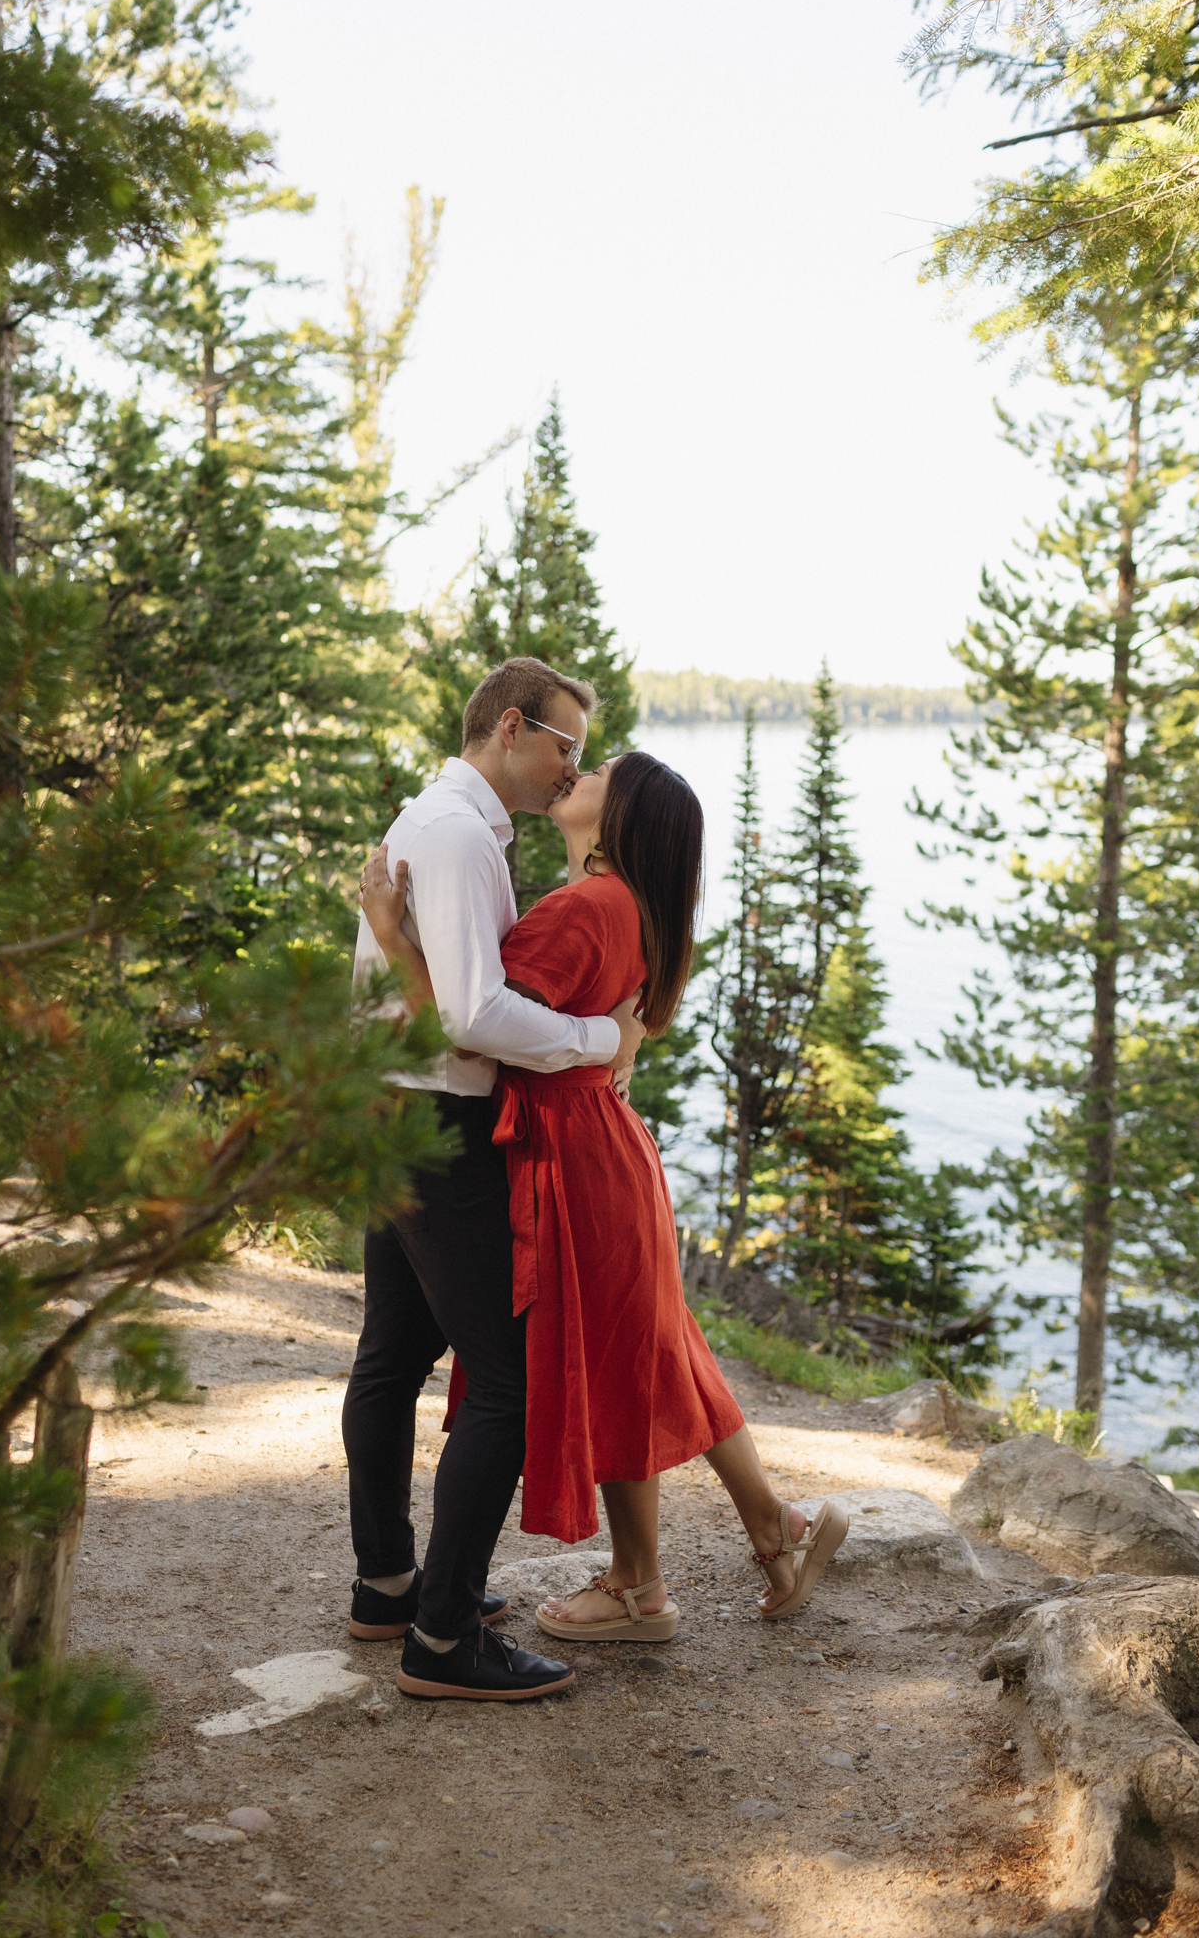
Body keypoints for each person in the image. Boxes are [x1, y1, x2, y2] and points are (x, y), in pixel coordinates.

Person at [360, 747, 848, 1643]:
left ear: (618, 820)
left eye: (597, 775)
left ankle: (659, 1574)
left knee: (629, 1354)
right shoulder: (638, 910)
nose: (574, 777)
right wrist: (608, 1047)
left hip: (573, 1155)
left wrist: (392, 940)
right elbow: (610, 1028)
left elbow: (478, 1031)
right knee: (645, 1349)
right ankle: (724, 1546)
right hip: (603, 1146)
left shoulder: (585, 906)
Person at [342, 656, 647, 1702]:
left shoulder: (432, 821)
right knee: (510, 1383)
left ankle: (388, 1583)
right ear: (511, 727)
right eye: (566, 742)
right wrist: (601, 1035)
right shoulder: (462, 836)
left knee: (394, 1347)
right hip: (437, 1116)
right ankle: (441, 1637)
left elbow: (401, 992)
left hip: (392, 1100)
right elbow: (474, 1013)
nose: (572, 765)